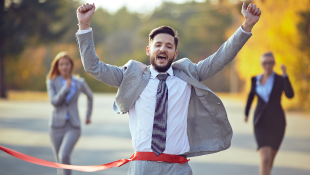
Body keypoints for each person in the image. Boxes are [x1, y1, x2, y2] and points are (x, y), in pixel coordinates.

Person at [76, 2, 261, 175]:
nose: (163, 49)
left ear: (175, 53)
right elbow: (94, 67)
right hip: (142, 167)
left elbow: (220, 58)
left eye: (168, 46)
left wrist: (246, 27)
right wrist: (84, 26)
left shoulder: (188, 75)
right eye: (158, 45)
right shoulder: (131, 77)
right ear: (149, 50)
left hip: (177, 167)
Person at [244, 52, 294, 175]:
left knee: (269, 160)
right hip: (260, 123)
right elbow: (251, 96)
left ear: (274, 64)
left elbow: (290, 95)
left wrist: (285, 75)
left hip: (278, 123)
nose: (267, 65)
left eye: (270, 62)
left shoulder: (280, 79)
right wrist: (246, 113)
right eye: (264, 63)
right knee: (265, 157)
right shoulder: (255, 79)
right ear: (261, 64)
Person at [46, 51, 93, 175]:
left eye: (66, 64)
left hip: (73, 126)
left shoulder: (79, 82)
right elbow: (54, 102)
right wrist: (65, 88)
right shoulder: (51, 82)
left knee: (64, 155)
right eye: (61, 64)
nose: (64, 67)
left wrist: (88, 116)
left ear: (71, 65)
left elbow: (90, 96)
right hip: (56, 126)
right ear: (57, 66)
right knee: (59, 162)